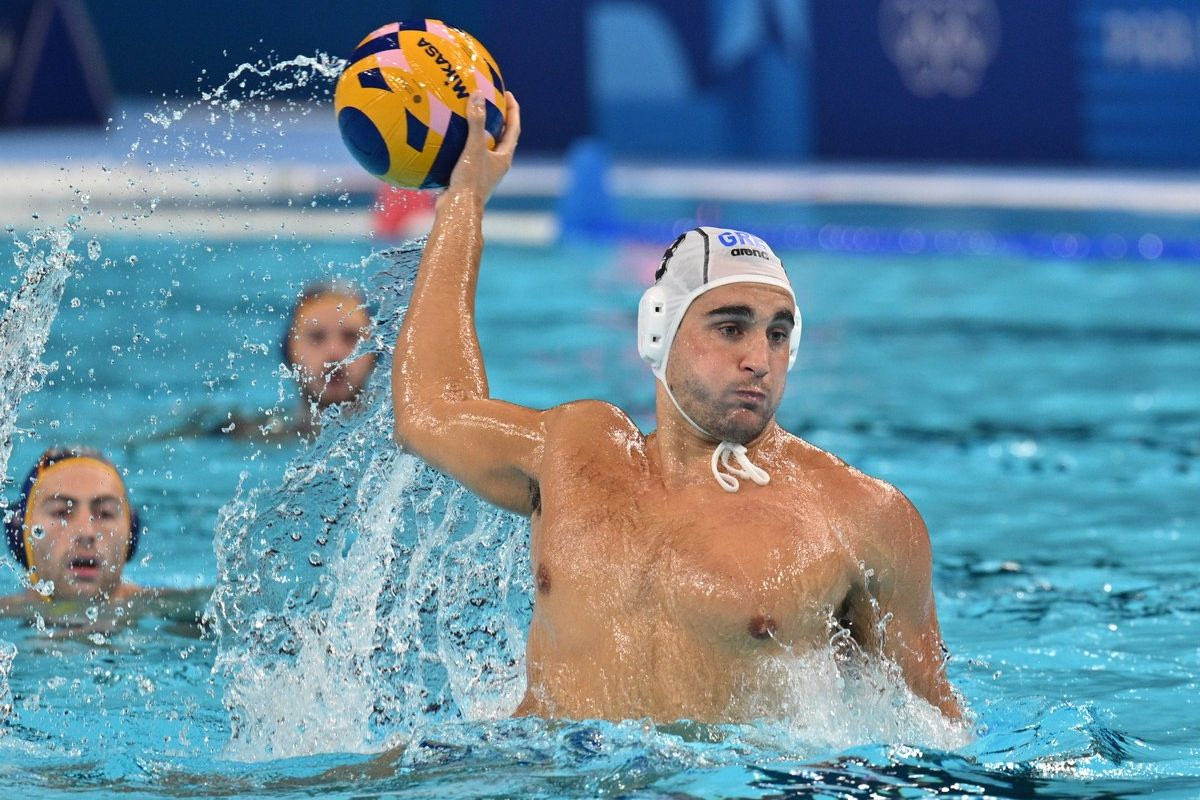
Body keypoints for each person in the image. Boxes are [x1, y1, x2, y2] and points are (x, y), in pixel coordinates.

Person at [392, 93, 963, 722]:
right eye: (731, 328)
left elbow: (938, 730)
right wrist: (465, 201)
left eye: (778, 334)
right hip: (538, 764)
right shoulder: (577, 453)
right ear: (658, 332)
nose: (760, 359)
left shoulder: (859, 516)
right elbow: (430, 409)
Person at [1, 445, 205, 632]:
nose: (86, 533)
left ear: (131, 534)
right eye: (61, 513)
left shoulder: (186, 612)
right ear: (19, 534)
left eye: (105, 513)